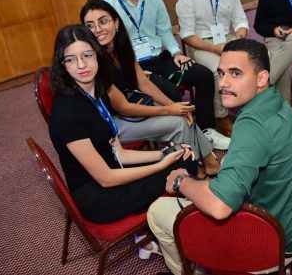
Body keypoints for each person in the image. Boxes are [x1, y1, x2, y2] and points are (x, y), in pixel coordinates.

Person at [147, 39, 292, 275]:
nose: (223, 83)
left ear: (262, 78)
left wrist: (180, 181)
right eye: (221, 73)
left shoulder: (252, 124)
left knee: (157, 211)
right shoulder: (276, 101)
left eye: (236, 74)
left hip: (274, 244)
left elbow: (220, 207)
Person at [47, 24, 197, 224]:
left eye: (87, 55)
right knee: (184, 164)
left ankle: (167, 220)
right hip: (101, 196)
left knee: (183, 156)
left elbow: (119, 153)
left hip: (115, 168)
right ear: (62, 64)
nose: (81, 65)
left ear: (98, 55)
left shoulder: (96, 91)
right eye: (71, 59)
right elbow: (106, 178)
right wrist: (161, 164)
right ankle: (173, 223)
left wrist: (165, 153)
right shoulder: (67, 114)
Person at [80, 0, 224, 176]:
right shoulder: (92, 60)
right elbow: (123, 107)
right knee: (179, 123)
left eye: (103, 21)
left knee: (183, 112)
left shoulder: (121, 47)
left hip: (129, 107)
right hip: (109, 123)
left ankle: (207, 163)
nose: (97, 29)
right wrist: (169, 110)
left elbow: (143, 82)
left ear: (116, 23)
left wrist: (173, 106)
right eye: (90, 25)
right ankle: (195, 171)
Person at [105, 0, 217, 132]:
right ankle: (187, 136)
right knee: (172, 94)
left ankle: (207, 131)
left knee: (204, 75)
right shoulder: (109, 6)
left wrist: (176, 53)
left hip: (159, 59)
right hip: (133, 68)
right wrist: (131, 70)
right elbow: (109, 48)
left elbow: (165, 31)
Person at [175, 0, 248, 136]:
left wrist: (240, 37)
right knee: (219, 70)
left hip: (228, 38)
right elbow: (187, 35)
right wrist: (216, 49)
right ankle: (221, 117)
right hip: (201, 44)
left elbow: (241, 20)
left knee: (252, 60)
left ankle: (246, 106)